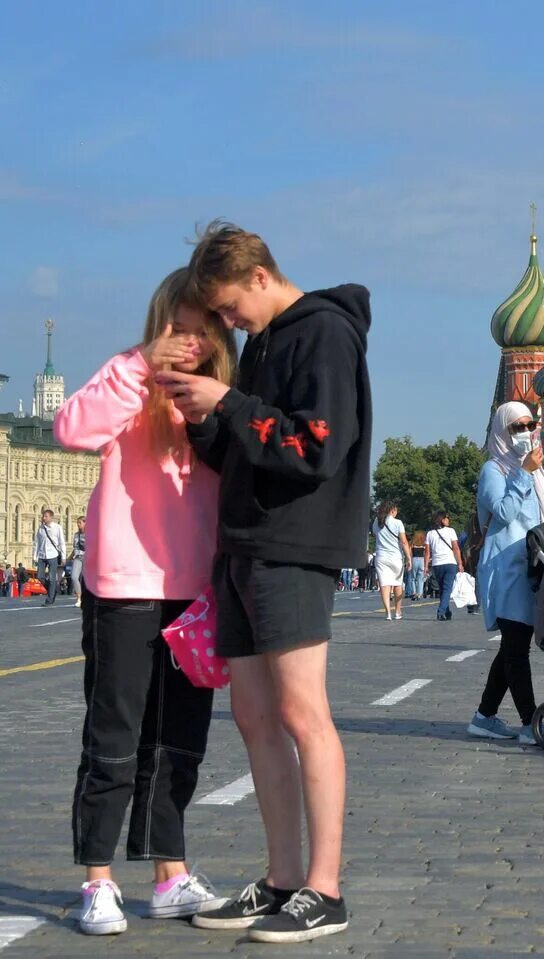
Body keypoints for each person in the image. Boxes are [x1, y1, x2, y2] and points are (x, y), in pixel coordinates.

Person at [161, 221, 371, 942]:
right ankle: (282, 878)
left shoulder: (325, 334)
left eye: (226, 309)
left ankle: (326, 887)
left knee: (303, 714)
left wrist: (230, 403)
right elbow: (244, 448)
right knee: (253, 716)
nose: (226, 324)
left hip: (294, 545)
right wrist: (201, 416)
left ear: (258, 276)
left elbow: (314, 446)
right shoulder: (260, 345)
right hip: (243, 543)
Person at [55, 267, 237, 936]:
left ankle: (169, 872)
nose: (187, 344)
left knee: (178, 741)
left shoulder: (221, 399)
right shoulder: (127, 382)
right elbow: (71, 427)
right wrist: (139, 366)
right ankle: (96, 879)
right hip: (123, 587)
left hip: (193, 593)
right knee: (113, 737)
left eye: (200, 332)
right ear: (156, 327)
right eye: (176, 330)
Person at [468, 402, 543, 744]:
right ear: (502, 431)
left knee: (514, 645)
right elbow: (504, 513)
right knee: (516, 646)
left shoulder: (533, 470)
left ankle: (484, 716)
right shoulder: (493, 470)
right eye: (517, 427)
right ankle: (530, 722)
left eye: (530, 424)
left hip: (530, 564)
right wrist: (524, 473)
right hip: (505, 566)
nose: (525, 432)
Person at [372, 503, 411, 621]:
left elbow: (375, 535)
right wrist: (409, 558)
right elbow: (404, 542)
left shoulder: (376, 522)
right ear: (392, 510)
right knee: (397, 584)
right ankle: (397, 611)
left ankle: (387, 612)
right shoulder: (398, 523)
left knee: (384, 585)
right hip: (396, 557)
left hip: (381, 557)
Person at [428, 511, 464, 622]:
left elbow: (427, 552)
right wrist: (460, 563)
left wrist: (426, 566)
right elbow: (456, 548)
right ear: (442, 520)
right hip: (450, 563)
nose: (448, 520)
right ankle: (441, 611)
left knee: (443, 589)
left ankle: (447, 612)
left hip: (436, 564)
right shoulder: (451, 531)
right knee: (447, 589)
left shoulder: (430, 533)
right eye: (447, 518)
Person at [34, 508, 66, 606]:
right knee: (40, 577)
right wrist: (35, 556)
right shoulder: (40, 528)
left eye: (46, 516)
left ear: (51, 517)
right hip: (42, 556)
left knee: (52, 578)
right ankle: (52, 591)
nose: (43, 518)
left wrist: (64, 557)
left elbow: (62, 542)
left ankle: (49, 600)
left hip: (53, 556)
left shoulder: (57, 527)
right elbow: (37, 543)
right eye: (43, 516)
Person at [68, 516, 87, 608]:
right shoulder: (76, 535)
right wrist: (68, 558)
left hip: (88, 558)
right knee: (74, 577)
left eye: (80, 523)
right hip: (78, 558)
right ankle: (79, 598)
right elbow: (75, 548)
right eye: (77, 523)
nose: (78, 525)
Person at [408, 530, 428, 601]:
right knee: (420, 579)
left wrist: (409, 561)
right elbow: (426, 554)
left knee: (413, 578)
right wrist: (426, 564)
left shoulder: (412, 544)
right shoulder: (424, 544)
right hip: (422, 560)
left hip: (414, 560)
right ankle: (419, 594)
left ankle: (414, 592)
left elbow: (409, 553)